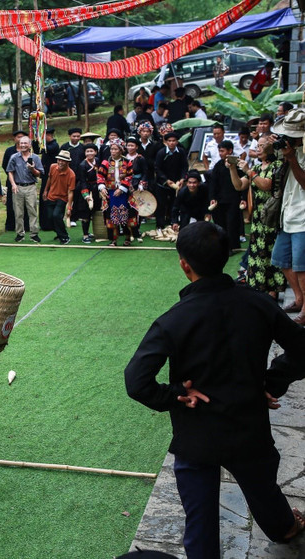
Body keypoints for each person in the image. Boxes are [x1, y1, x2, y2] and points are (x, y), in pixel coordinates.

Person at [125, 221, 305, 559]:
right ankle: (285, 527)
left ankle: (276, 528)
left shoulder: (174, 319)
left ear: (184, 265)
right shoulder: (259, 304)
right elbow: (301, 350)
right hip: (248, 425)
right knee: (262, 487)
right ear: (226, 257)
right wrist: (270, 382)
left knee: (200, 522)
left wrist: (175, 394)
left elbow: (136, 381)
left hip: (197, 435)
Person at [233, 136, 283, 297]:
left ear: (271, 148)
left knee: (269, 252)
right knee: (257, 252)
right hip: (257, 218)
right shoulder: (256, 166)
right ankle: (260, 289)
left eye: (262, 146)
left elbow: (266, 185)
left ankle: (272, 290)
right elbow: (239, 185)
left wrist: (249, 171)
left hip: (272, 216)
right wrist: (232, 169)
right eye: (258, 146)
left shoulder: (277, 165)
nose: (258, 149)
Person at [269, 109, 305, 324]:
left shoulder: (298, 154)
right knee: (281, 259)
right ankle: (299, 298)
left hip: (303, 217)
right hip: (287, 215)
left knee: (302, 268)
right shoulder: (289, 151)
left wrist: (291, 158)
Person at [97, 139, 134, 246]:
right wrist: (102, 187)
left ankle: (127, 237)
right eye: (111, 149)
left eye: (115, 149)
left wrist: (122, 188)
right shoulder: (105, 162)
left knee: (124, 215)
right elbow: (100, 176)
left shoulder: (127, 162)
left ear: (121, 150)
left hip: (124, 193)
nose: (113, 151)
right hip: (110, 193)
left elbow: (130, 176)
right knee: (110, 216)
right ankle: (113, 240)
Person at [209, 141, 244, 251]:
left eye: (223, 151)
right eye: (219, 151)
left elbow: (243, 184)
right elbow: (213, 184)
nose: (220, 153)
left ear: (230, 151)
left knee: (232, 224)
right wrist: (212, 198)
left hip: (234, 199)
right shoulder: (218, 165)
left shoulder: (238, 164)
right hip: (220, 200)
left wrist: (243, 198)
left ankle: (233, 246)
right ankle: (223, 246)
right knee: (220, 224)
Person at [7, 136, 43, 243]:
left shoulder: (35, 157)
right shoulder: (14, 157)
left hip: (31, 186)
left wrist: (32, 169)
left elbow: (40, 173)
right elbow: (10, 171)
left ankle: (34, 233)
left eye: (25, 143)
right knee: (18, 212)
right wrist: (13, 184)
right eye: (21, 143)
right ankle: (19, 233)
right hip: (18, 186)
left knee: (32, 210)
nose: (23, 145)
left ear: (29, 145)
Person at [154, 131, 188, 232]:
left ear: (177, 142)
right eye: (170, 141)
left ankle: (173, 222)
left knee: (175, 203)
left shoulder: (181, 152)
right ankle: (160, 224)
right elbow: (157, 168)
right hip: (163, 183)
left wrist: (182, 179)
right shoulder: (161, 153)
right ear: (166, 142)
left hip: (177, 182)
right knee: (161, 204)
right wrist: (166, 180)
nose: (172, 143)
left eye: (174, 141)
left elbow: (184, 166)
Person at [43, 150, 75, 245]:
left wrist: (69, 207)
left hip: (62, 198)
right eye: (59, 160)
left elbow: (70, 192)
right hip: (51, 196)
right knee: (49, 218)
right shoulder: (52, 167)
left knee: (56, 215)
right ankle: (59, 232)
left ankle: (64, 237)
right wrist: (45, 190)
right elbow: (49, 178)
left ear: (68, 162)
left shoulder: (71, 175)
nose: (60, 162)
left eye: (63, 161)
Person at [75, 143, 100, 244]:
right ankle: (85, 235)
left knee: (96, 211)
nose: (90, 153)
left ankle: (98, 232)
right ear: (85, 153)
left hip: (97, 188)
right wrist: (86, 196)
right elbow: (83, 181)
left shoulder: (98, 161)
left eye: (91, 151)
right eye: (87, 151)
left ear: (95, 152)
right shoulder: (82, 165)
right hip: (86, 189)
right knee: (86, 213)